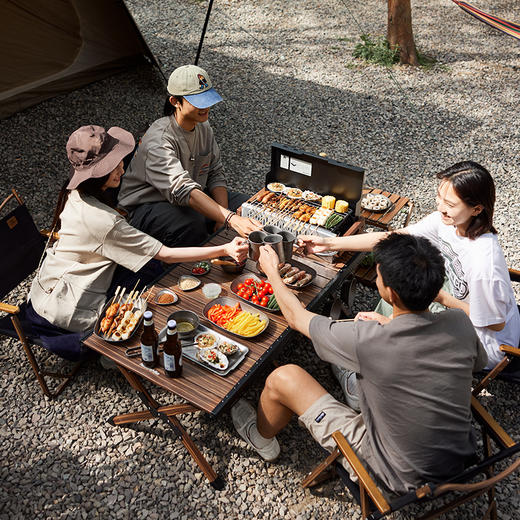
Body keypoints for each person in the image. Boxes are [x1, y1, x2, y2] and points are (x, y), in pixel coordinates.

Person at [231, 234, 487, 495]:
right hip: (457, 459)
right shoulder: (459, 323)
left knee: (283, 377)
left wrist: (272, 272)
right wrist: (390, 323)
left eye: (378, 275)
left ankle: (261, 438)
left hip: (395, 475)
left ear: (391, 293)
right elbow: (478, 362)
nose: (376, 279)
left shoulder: (369, 340)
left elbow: (297, 318)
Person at [28, 124, 248, 337]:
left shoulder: (75, 193)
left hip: (48, 286)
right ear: (98, 174)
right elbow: (166, 254)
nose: (122, 167)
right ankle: (111, 354)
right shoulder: (103, 221)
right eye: (114, 164)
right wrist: (225, 249)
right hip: (69, 307)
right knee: (157, 299)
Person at [299, 161, 519, 370]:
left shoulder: (484, 264)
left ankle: (363, 372)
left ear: (477, 209)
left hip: (485, 343)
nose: (440, 207)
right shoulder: (447, 222)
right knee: (399, 285)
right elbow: (392, 238)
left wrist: (440, 298)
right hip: (460, 302)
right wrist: (329, 243)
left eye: (450, 204)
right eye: (439, 197)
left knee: (388, 329)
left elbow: (495, 324)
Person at [117, 64, 262, 247]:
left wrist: (223, 215)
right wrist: (229, 219)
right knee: (192, 224)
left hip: (191, 197)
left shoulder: (203, 126)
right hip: (146, 207)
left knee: (249, 207)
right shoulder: (159, 140)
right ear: (175, 102)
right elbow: (183, 189)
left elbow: (215, 172)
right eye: (198, 101)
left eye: (207, 99)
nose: (206, 106)